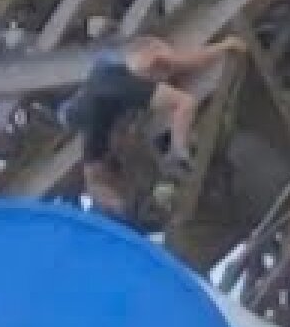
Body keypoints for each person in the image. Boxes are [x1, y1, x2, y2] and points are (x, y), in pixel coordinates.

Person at [57, 34, 248, 221]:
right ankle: (178, 155)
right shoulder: (137, 57)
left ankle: (128, 209)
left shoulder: (97, 106)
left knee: (97, 178)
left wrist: (121, 208)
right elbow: (184, 62)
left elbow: (93, 180)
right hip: (113, 84)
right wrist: (224, 46)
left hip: (100, 105)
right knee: (184, 103)